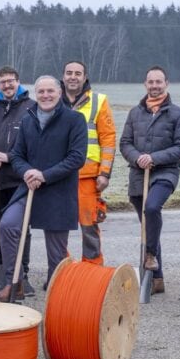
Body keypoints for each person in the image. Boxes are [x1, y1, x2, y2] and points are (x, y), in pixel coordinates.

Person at [0, 76, 86, 301]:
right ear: (35, 94)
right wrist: (27, 172)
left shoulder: (74, 120)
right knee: (8, 225)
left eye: (50, 91)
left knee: (56, 252)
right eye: (41, 91)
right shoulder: (28, 119)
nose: (45, 95)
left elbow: (77, 158)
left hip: (58, 192)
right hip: (29, 188)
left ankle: (57, 295)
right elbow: (17, 155)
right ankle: (14, 283)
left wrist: (44, 175)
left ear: (59, 92)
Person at [119, 66, 180, 295]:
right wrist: (137, 158)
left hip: (165, 172)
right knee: (148, 225)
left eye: (159, 82)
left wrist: (154, 158)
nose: (154, 86)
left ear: (166, 84)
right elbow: (125, 143)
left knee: (152, 208)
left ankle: (150, 255)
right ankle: (157, 279)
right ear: (145, 84)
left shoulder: (178, 114)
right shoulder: (135, 113)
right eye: (151, 82)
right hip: (138, 173)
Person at [0, 66, 35, 295]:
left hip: (19, 179)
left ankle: (22, 275)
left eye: (11, 81)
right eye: (3, 82)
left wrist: (8, 157)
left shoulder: (31, 107)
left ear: (18, 81)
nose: (7, 85)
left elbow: (32, 142)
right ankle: (1, 270)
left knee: (20, 228)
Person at [62, 60, 117, 266]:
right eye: (69, 73)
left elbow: (108, 139)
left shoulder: (98, 101)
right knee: (59, 225)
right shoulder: (53, 99)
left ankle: (92, 267)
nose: (73, 77)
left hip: (88, 175)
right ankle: (62, 267)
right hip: (59, 175)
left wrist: (104, 172)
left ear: (85, 77)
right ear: (63, 76)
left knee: (89, 224)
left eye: (77, 73)